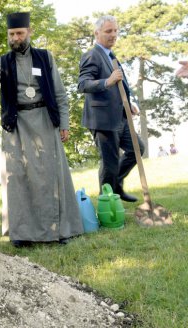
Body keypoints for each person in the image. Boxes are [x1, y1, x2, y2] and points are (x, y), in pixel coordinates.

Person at [0, 12, 83, 246]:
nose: (15, 38)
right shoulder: (1, 62)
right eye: (11, 34)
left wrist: (64, 124)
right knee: (17, 178)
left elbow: (60, 93)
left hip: (45, 122)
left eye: (19, 33)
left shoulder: (45, 58)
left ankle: (55, 232)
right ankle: (22, 233)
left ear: (29, 32)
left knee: (49, 177)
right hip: (15, 125)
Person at [78, 15, 145, 203]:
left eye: (116, 31)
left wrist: (129, 103)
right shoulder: (92, 55)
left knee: (137, 149)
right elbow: (83, 84)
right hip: (102, 119)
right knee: (109, 163)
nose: (113, 35)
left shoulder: (111, 56)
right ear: (97, 33)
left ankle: (116, 185)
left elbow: (121, 84)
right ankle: (107, 204)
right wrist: (107, 81)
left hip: (121, 117)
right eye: (109, 31)